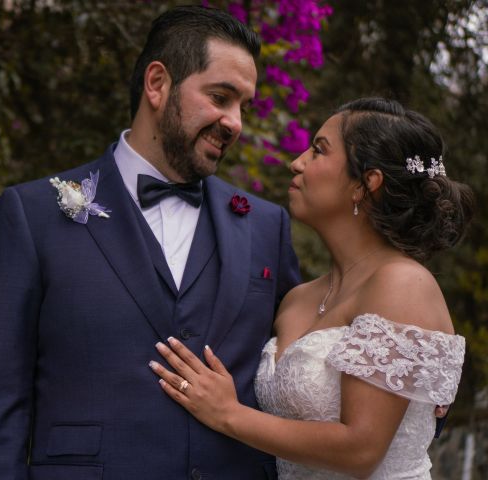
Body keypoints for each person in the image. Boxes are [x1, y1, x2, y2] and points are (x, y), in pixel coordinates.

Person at [0, 5, 301, 479]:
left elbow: (311, 354)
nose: (235, 122)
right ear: (157, 84)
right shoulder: (32, 215)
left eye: (243, 105)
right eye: (221, 97)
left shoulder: (268, 226)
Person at [150, 97, 474, 479]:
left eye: (318, 150)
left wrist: (228, 414)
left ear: (366, 184)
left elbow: (361, 450)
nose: (297, 162)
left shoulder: (402, 283)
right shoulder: (297, 299)